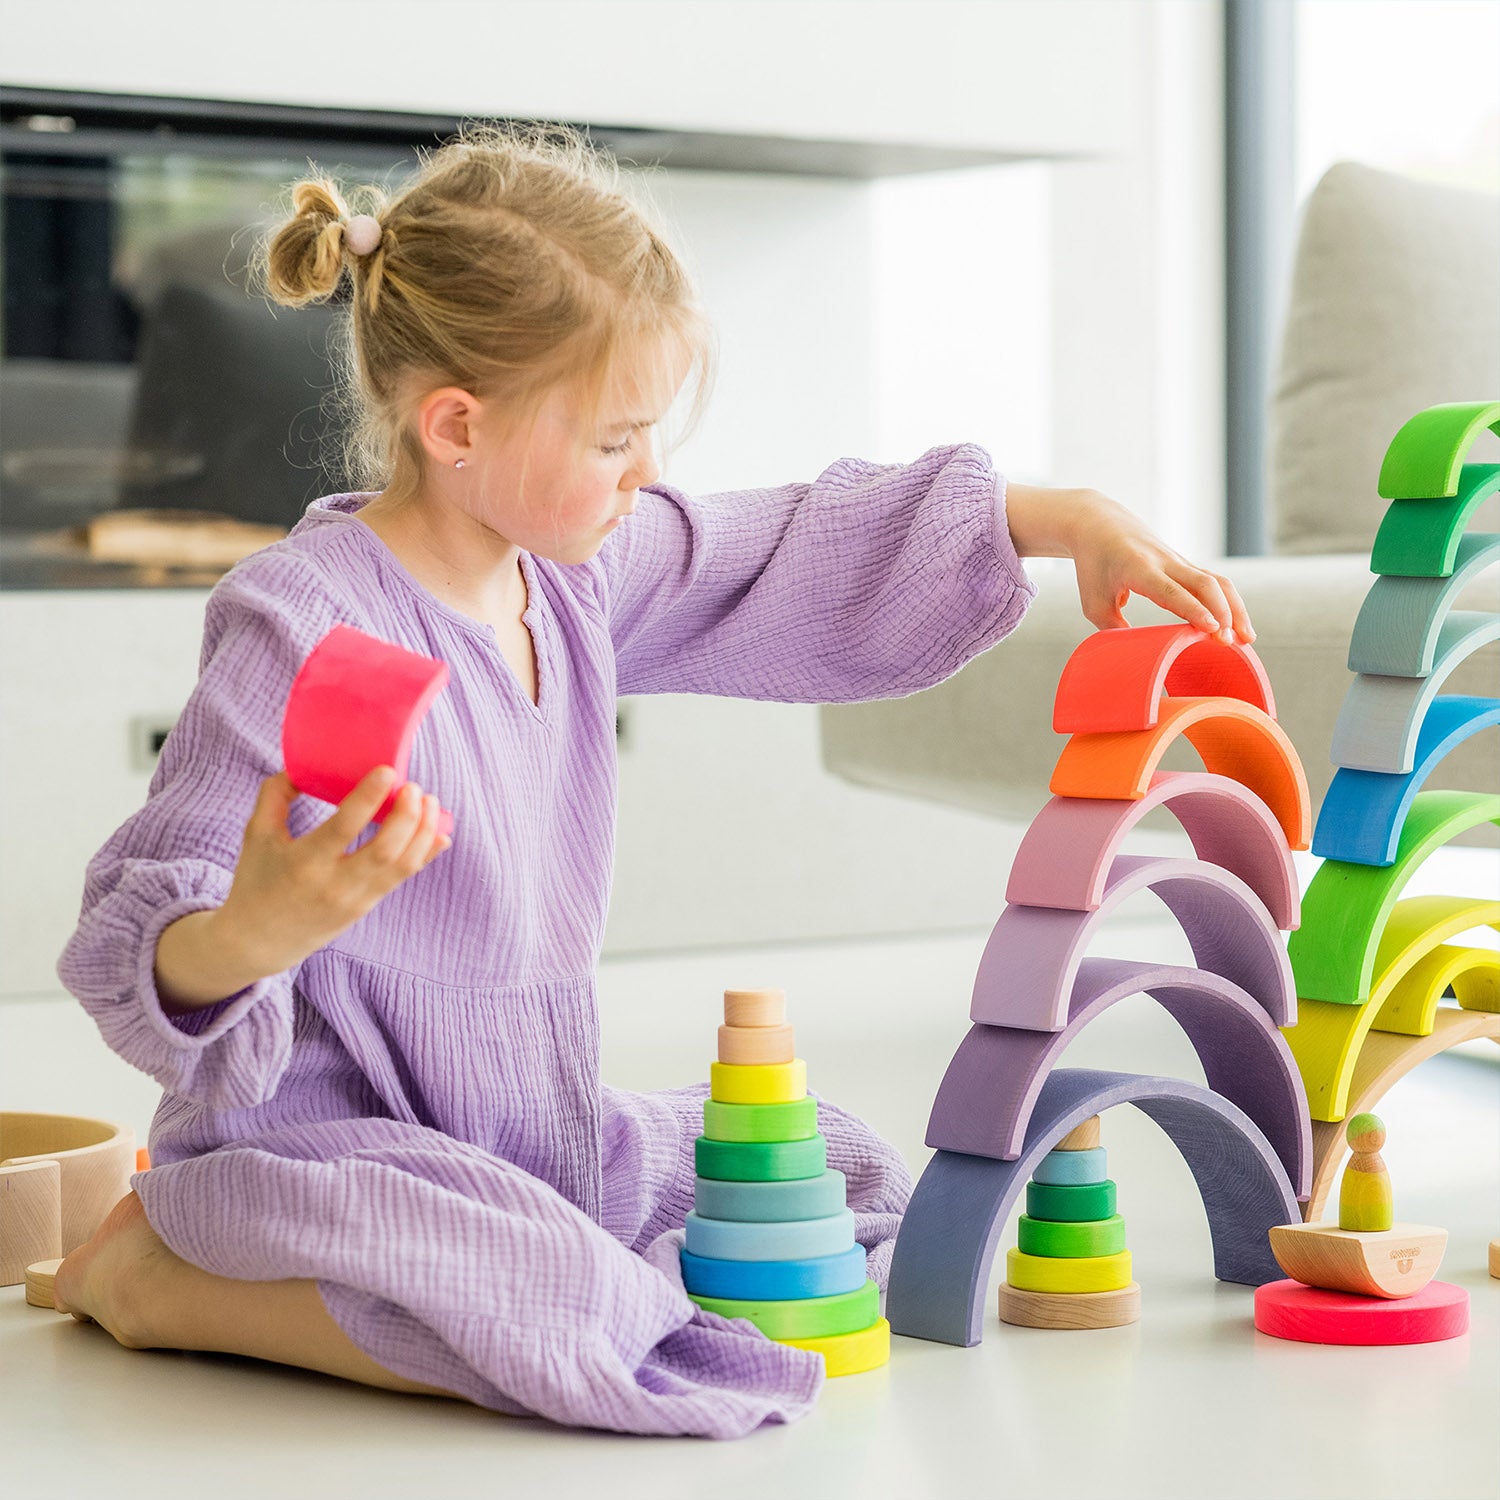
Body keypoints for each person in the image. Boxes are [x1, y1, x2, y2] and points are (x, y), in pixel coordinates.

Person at [53, 122, 1253, 1439]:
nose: (650, 474)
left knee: (832, 1168)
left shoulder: (572, 577)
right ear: (457, 426)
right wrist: (256, 930)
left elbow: (788, 544)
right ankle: (157, 1275)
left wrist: (1062, 517)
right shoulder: (301, 618)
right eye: (617, 439)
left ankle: (520, 1266)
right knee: (550, 1293)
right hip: (321, 1147)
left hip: (536, 1136)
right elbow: (134, 935)